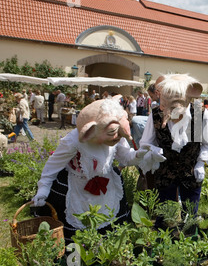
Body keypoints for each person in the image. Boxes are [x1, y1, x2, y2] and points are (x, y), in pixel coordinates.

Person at [32, 97, 148, 240]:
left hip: (107, 184)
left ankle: (107, 253)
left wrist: (139, 154)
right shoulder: (74, 141)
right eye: (112, 132)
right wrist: (43, 189)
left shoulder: (118, 136)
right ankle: (76, 256)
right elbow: (53, 165)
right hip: (76, 184)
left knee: (110, 220)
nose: (117, 137)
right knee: (77, 224)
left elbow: (125, 157)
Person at [138, 73, 208, 226]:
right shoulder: (156, 115)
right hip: (166, 172)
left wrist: (201, 163)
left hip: (190, 172)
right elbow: (146, 142)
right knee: (164, 216)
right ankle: (162, 245)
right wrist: (154, 151)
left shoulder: (200, 114)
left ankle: (189, 244)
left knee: (190, 216)